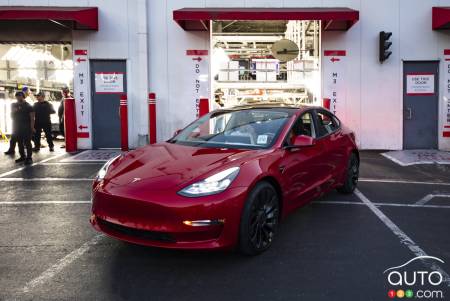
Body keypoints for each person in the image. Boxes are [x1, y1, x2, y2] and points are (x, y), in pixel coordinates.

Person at [11, 91, 34, 164]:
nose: (18, 97)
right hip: (17, 126)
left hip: (26, 127)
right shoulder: (14, 105)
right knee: (19, 142)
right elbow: (11, 116)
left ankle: (29, 158)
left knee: (27, 143)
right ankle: (22, 156)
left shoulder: (29, 106)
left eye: (19, 96)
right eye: (17, 96)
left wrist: (32, 127)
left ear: (23, 96)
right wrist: (14, 111)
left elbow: (32, 118)